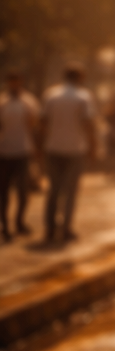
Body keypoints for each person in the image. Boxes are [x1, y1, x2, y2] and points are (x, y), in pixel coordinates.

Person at [38, 64, 98, 246]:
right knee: (70, 191)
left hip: (53, 148)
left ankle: (49, 229)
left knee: (53, 190)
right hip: (75, 150)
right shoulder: (83, 97)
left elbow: (43, 122)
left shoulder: (51, 95)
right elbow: (88, 124)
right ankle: (65, 229)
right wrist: (93, 147)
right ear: (80, 78)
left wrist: (42, 146)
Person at [1, 71, 40, 241]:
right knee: (3, 191)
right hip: (4, 151)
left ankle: (19, 221)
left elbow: (34, 126)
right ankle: (5, 225)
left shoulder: (29, 101)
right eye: (11, 81)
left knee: (23, 191)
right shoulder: (2, 101)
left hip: (23, 150)